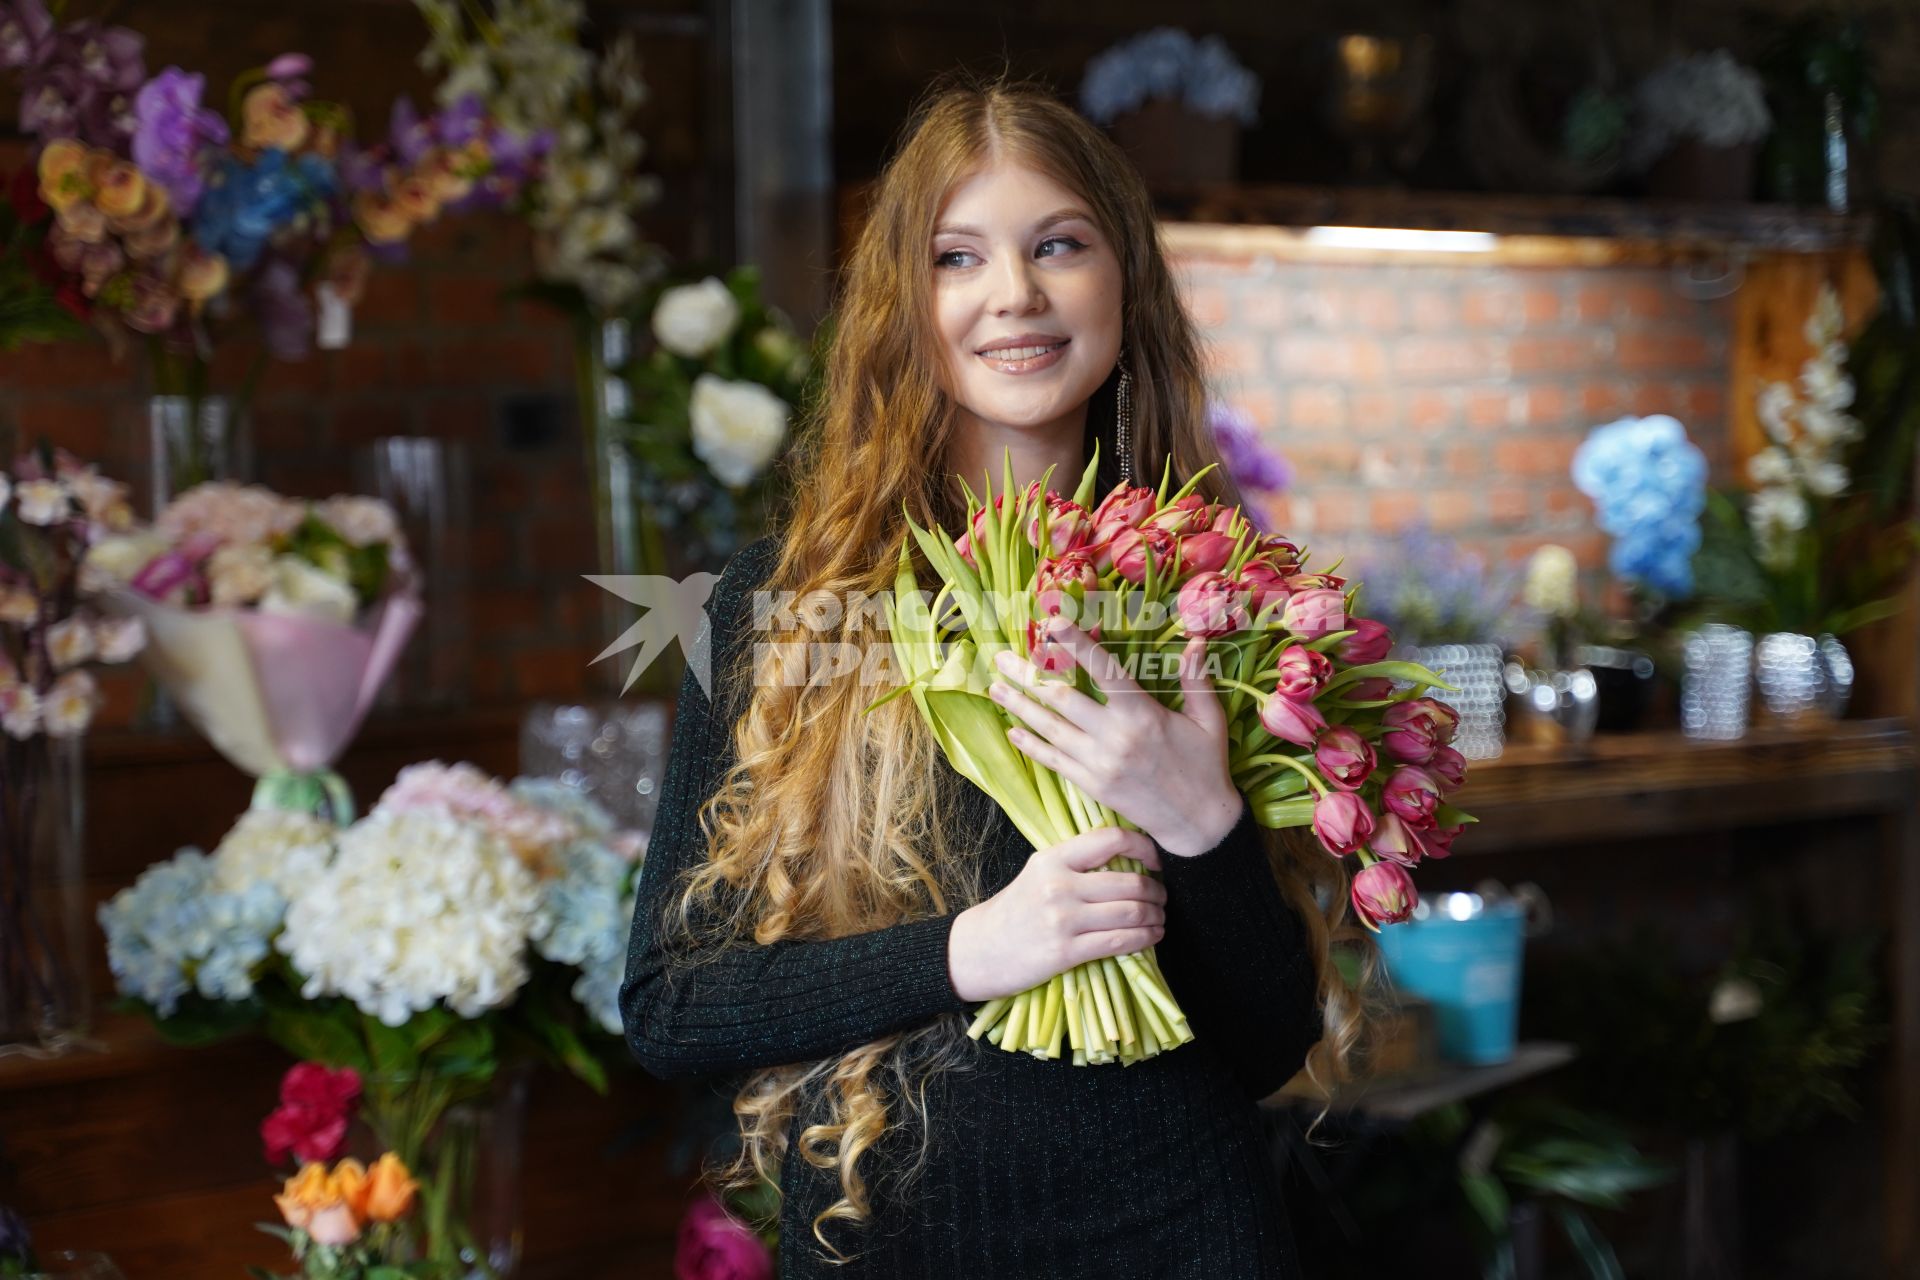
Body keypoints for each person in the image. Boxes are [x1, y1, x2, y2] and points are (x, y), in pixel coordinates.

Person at [621, 75, 1365, 1278]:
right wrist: (974, 948)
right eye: (956, 256)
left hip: (1185, 1233)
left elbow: (1270, 1039)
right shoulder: (785, 604)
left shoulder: (1213, 594)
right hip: (897, 1239)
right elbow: (670, 1004)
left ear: (1124, 277)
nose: (1014, 293)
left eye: (1058, 245)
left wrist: (1199, 817)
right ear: (900, 304)